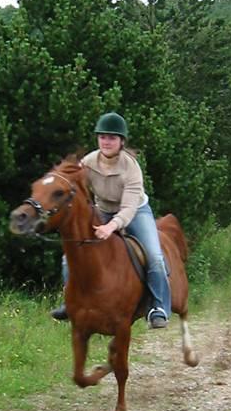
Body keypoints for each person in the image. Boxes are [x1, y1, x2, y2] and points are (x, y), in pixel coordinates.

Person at [51, 112, 171, 328]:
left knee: (154, 256)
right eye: (102, 137)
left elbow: (128, 208)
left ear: (121, 142)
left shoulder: (131, 167)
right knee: (69, 257)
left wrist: (110, 227)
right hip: (103, 209)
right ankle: (70, 302)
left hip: (136, 211)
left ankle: (158, 307)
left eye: (112, 138)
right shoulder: (88, 162)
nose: (106, 142)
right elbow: (72, 184)